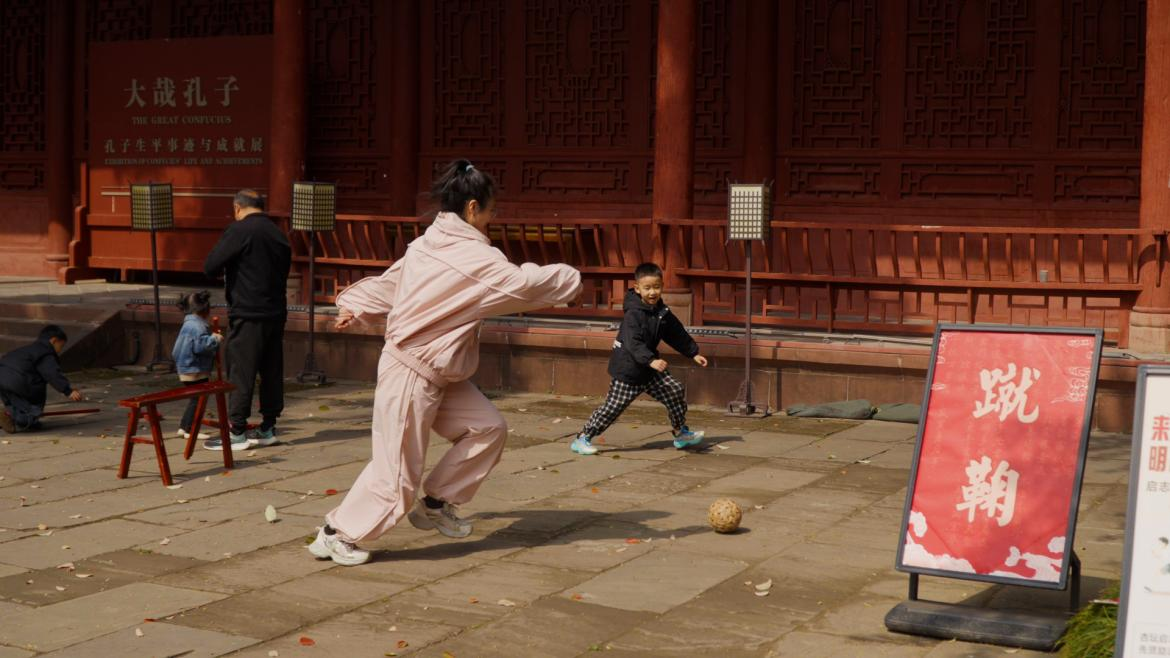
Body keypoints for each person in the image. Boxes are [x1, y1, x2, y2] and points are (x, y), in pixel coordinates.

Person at [308, 160, 582, 566]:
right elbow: (522, 285)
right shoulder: (472, 259)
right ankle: (338, 533)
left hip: (440, 371)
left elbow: (394, 285)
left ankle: (436, 503)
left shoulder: (429, 243)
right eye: (491, 210)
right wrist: (570, 279)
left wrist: (356, 304)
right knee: (397, 471)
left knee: (488, 427)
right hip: (411, 372)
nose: (493, 218)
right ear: (472, 208)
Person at [570, 262, 709, 456]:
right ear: (637, 288)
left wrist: (693, 353)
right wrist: (650, 360)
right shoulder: (633, 314)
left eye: (657, 287)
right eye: (647, 288)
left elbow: (676, 333)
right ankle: (582, 438)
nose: (653, 292)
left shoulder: (662, 311)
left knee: (674, 390)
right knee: (613, 408)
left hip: (650, 370)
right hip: (629, 370)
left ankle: (680, 433)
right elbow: (632, 343)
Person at [202, 189, 291, 452]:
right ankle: (268, 427)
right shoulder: (278, 234)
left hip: (248, 311)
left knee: (241, 370)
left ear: (237, 208)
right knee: (271, 369)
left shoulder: (240, 230)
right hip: (275, 312)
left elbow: (211, 266)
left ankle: (238, 431)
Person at [0, 325, 83, 434]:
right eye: (61, 346)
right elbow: (52, 373)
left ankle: (12, 416)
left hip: (2, 377)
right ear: (54, 341)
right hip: (20, 381)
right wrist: (67, 390)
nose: (59, 351)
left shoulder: (27, 350)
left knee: (15, 403)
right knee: (33, 407)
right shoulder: (45, 353)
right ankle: (17, 417)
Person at [171, 290, 223, 442]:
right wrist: (215, 339)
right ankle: (190, 429)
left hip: (185, 367)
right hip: (195, 369)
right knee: (199, 400)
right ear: (204, 310)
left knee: (195, 399)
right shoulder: (198, 327)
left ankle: (183, 426)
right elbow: (201, 347)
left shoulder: (188, 324)